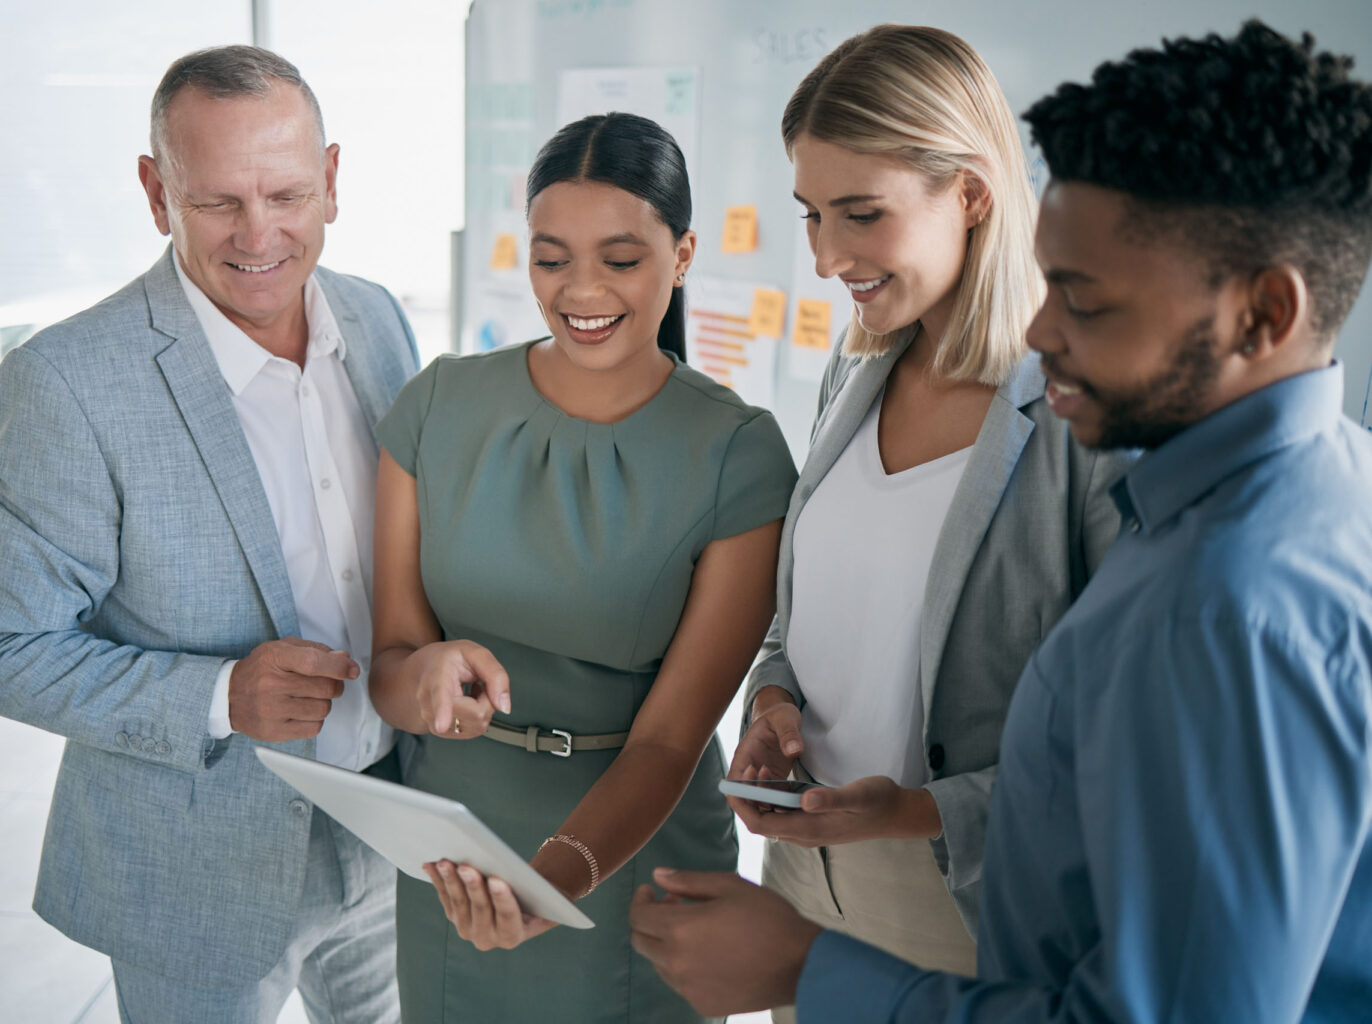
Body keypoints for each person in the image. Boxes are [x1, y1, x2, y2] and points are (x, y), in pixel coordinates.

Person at [630, 19, 1372, 1022]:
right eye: (811, 214)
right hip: (836, 875)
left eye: (1084, 298)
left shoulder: (1219, 599)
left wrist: (813, 967)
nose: (1039, 329)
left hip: (948, 919)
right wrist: (775, 700)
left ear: (1264, 316)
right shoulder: (1270, 498)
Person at [0, 46, 418, 1022]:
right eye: (217, 201)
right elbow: (8, 644)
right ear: (155, 191)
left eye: (286, 194)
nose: (259, 233)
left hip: (392, 827)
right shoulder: (66, 381)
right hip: (195, 869)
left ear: (333, 181)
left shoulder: (379, 319)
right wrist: (223, 693)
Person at [722, 24, 1129, 1012]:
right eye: (812, 215)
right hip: (803, 874)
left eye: (860, 214)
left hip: (963, 896)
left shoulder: (1084, 416)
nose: (825, 258)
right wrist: (772, 702)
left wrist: (913, 811)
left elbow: (1119, 732)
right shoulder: (856, 367)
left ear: (971, 195)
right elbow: (803, 608)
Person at [367, 111, 797, 1022]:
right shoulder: (437, 404)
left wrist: (547, 886)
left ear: (681, 257)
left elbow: (671, 741)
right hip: (458, 859)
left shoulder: (738, 454)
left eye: (622, 257)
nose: (580, 289)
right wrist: (424, 676)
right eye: (552, 257)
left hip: (631, 854)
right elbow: (392, 666)